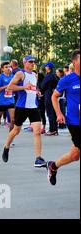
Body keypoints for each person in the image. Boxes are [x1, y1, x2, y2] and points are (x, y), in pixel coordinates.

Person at [2, 55, 46, 168]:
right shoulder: (20, 74)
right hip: (22, 106)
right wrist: (23, 88)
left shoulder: (35, 75)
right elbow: (10, 87)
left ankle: (38, 158)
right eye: (30, 62)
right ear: (25, 63)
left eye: (33, 62)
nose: (32, 63)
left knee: (37, 132)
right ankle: (6, 147)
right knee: (16, 130)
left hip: (33, 107)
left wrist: (37, 92)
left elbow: (32, 88)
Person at [47, 49, 80, 185]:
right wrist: (59, 114)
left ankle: (53, 166)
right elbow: (54, 97)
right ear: (74, 62)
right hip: (74, 121)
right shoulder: (67, 80)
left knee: (75, 156)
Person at [0, 62, 15, 145]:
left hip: (10, 100)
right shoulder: (1, 77)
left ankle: (10, 138)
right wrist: (6, 86)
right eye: (6, 67)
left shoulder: (13, 76)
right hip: (1, 101)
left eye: (9, 67)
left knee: (13, 119)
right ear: (2, 69)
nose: (8, 68)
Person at [41, 62, 59, 136]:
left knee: (50, 113)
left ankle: (52, 130)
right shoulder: (54, 75)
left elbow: (42, 85)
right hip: (53, 94)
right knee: (54, 113)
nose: (45, 68)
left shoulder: (49, 76)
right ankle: (55, 129)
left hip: (48, 94)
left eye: (46, 67)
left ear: (48, 68)